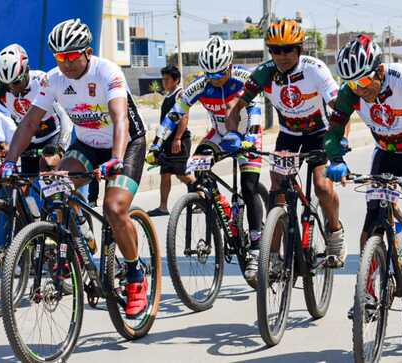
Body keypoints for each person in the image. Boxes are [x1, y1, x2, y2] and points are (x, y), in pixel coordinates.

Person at [0, 18, 148, 318]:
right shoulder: (53, 80)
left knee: (114, 208)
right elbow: (29, 122)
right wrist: (9, 162)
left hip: (126, 144)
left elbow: (120, 118)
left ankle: (135, 275)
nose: (65, 63)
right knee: (55, 188)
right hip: (88, 145)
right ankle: (75, 252)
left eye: (71, 56)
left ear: (88, 52)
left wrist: (116, 158)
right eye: (59, 57)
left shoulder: (107, 71)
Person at [225, 18, 346, 271]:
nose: (282, 56)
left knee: (323, 186)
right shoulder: (264, 73)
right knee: (278, 189)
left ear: (299, 48)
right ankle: (274, 257)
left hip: (320, 133)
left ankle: (335, 233)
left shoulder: (315, 69)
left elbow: (340, 109)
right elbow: (235, 107)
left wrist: (339, 144)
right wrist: (232, 133)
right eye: (275, 50)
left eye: (288, 49)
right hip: (289, 136)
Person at [325, 34, 402, 279]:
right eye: (351, 83)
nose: (359, 88)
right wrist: (336, 160)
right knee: (373, 218)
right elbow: (334, 132)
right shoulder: (350, 92)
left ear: (379, 70)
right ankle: (367, 292)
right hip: (387, 151)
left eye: (362, 80)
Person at [148, 36, 264, 280]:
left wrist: (251, 137)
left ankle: (255, 245)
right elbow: (175, 114)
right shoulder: (201, 84)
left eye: (220, 73)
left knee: (249, 186)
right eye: (210, 74)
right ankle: (226, 215)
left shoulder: (244, 78)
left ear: (230, 65)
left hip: (246, 133)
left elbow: (255, 108)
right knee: (199, 171)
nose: (215, 79)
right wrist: (157, 144)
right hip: (220, 135)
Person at [0, 43, 72, 174]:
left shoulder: (43, 81)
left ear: (26, 70)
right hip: (27, 138)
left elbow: (65, 117)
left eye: (16, 82)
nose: (12, 88)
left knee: (48, 174)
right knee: (12, 182)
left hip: (53, 137)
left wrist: (61, 148)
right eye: (7, 85)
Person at [146, 65, 195, 217]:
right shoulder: (168, 95)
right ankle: (162, 207)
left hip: (179, 140)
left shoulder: (180, 94)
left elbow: (184, 117)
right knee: (165, 173)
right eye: (163, 79)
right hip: (167, 142)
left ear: (176, 80)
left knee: (182, 174)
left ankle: (201, 197)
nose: (164, 82)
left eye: (167, 79)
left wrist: (178, 138)